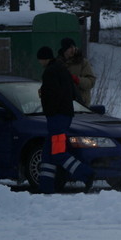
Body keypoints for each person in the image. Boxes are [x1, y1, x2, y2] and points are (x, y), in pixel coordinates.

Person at [36, 46, 94, 194]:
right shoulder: (62, 70)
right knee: (47, 153)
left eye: (40, 59)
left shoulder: (50, 72)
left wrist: (47, 102)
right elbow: (72, 93)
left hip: (56, 118)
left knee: (57, 153)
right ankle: (46, 187)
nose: (39, 62)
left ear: (44, 58)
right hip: (64, 115)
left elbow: (53, 95)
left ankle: (86, 174)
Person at [57, 37, 96, 105]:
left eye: (74, 47)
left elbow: (91, 82)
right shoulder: (57, 64)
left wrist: (77, 80)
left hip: (80, 105)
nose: (73, 49)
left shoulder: (83, 63)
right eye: (70, 48)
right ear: (64, 50)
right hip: (62, 104)